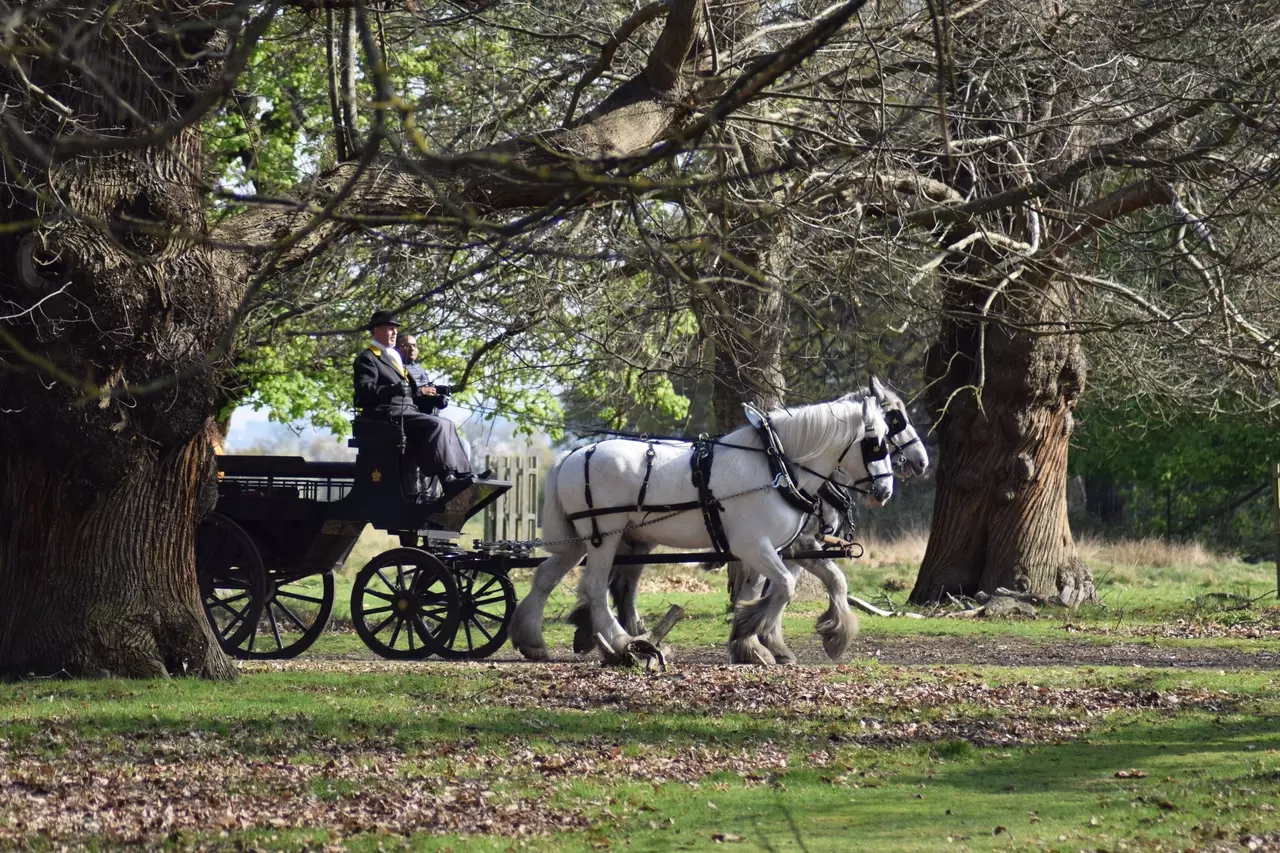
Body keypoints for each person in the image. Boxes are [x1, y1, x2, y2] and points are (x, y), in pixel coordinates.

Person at [352, 310, 476, 495]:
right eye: (390, 328)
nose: (394, 332)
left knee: (447, 424)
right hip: (388, 414)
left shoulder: (393, 357)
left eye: (395, 329)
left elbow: (410, 392)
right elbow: (363, 391)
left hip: (408, 411)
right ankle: (447, 480)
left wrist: (433, 397)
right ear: (376, 330)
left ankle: (464, 476)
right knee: (437, 425)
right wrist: (391, 389)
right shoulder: (368, 358)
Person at [395, 334, 446, 414]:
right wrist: (421, 392)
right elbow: (398, 394)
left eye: (414, 345)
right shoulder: (395, 367)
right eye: (407, 345)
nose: (412, 349)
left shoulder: (418, 367)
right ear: (397, 348)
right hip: (409, 412)